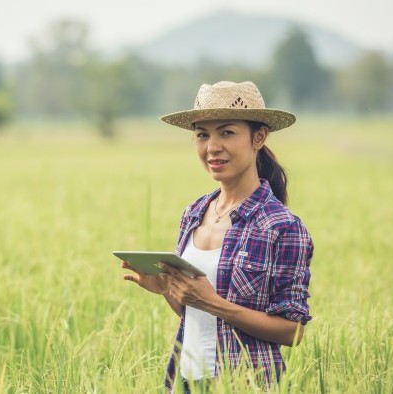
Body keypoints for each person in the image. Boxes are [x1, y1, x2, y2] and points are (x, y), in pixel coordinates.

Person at [121, 81, 313, 393]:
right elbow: (194, 313)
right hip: (185, 380)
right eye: (202, 134)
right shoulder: (194, 212)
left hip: (246, 384)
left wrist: (213, 303)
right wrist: (169, 290)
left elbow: (292, 332)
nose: (212, 146)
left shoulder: (282, 226)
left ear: (259, 138)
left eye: (227, 132)